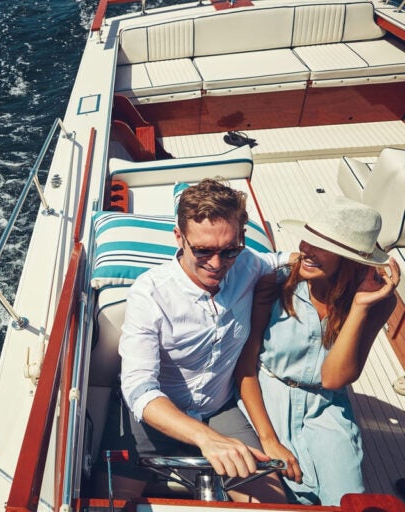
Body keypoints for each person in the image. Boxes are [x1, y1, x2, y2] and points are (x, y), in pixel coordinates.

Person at [108, 178, 292, 502]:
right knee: (108, 505)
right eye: (203, 250)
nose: (217, 264)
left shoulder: (249, 264)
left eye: (229, 250)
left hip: (219, 409)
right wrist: (205, 438)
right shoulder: (149, 293)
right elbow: (139, 389)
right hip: (154, 418)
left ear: (241, 239)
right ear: (179, 238)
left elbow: (293, 261)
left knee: (277, 505)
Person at [235, 196, 401, 506]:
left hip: (326, 407)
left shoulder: (379, 301)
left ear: (351, 260)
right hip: (268, 396)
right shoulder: (276, 282)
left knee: (347, 499)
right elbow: (245, 366)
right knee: (279, 496)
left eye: (322, 246)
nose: (306, 250)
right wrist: (270, 440)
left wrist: (361, 307)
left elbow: (335, 379)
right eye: (308, 239)